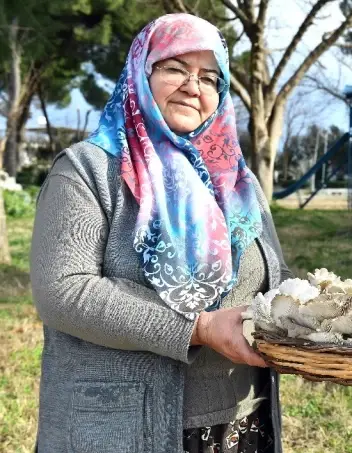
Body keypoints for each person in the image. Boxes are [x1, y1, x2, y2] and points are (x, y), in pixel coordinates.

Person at [30, 13, 293, 453]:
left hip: (242, 422)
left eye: (210, 77)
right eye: (175, 67)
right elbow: (64, 292)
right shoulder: (88, 170)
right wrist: (201, 327)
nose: (194, 85)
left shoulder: (238, 183)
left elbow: (277, 277)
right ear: (140, 71)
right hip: (122, 429)